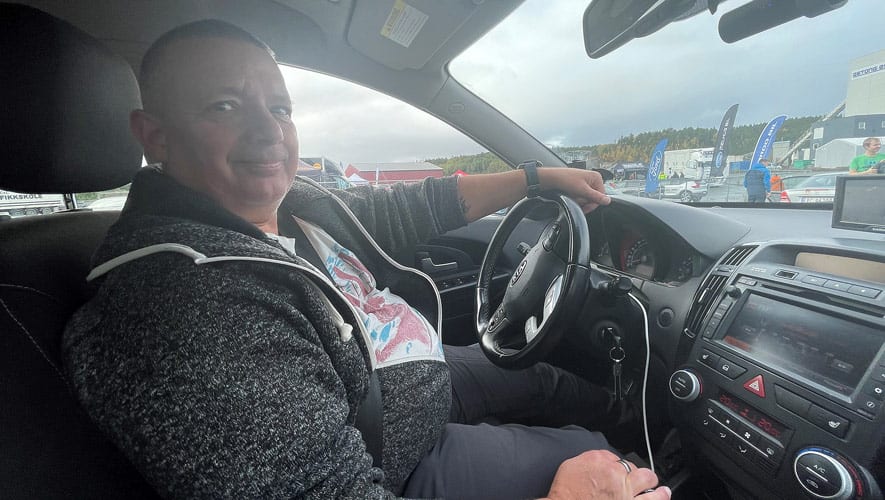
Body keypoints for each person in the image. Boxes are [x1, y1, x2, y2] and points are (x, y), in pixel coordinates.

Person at [61, 20, 669, 500]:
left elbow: (405, 208)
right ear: (156, 137)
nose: (269, 132)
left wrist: (535, 178)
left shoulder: (288, 205)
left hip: (404, 378)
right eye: (224, 106)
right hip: (393, 458)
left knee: (545, 381)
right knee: (590, 455)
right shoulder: (188, 311)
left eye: (280, 108)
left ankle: (652, 429)